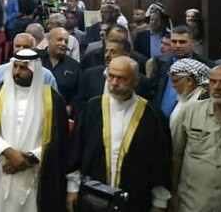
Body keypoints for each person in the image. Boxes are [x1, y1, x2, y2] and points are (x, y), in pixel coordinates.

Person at [0, 49, 69, 212]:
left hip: (35, 173)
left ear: (35, 70)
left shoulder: (52, 100)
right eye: (15, 67)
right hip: (2, 167)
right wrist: (9, 152)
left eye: (23, 68)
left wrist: (31, 158)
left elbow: (59, 140)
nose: (17, 72)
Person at [67, 56, 172, 212]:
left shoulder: (152, 116)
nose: (115, 83)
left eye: (122, 78)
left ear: (135, 81)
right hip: (94, 196)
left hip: (135, 197)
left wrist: (159, 202)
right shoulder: (92, 108)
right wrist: (72, 188)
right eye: (111, 77)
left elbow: (160, 162)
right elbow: (77, 150)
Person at [171, 65, 221, 212]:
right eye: (213, 82)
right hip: (192, 205)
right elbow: (176, 156)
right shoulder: (190, 111)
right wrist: (172, 194)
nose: (217, 87)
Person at [167, 57, 210, 133]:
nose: (173, 86)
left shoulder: (199, 100)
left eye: (175, 81)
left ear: (189, 80)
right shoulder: (185, 97)